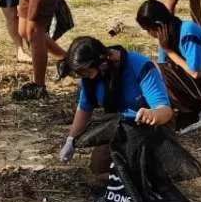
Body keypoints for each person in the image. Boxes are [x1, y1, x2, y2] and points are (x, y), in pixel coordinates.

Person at [57, 36, 173, 183]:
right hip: (120, 126)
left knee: (145, 175)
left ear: (102, 61)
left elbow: (165, 111)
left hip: (150, 128)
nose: (83, 77)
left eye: (85, 73)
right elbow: (84, 108)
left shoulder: (139, 65)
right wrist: (70, 140)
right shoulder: (90, 76)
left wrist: (152, 114)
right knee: (99, 170)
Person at [135, 0, 201, 134]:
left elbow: (195, 72)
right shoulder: (168, 36)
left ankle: (189, 112)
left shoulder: (187, 31)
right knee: (154, 72)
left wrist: (168, 51)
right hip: (195, 85)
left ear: (159, 25)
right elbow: (163, 70)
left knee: (154, 69)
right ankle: (178, 107)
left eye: (148, 30)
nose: (150, 34)